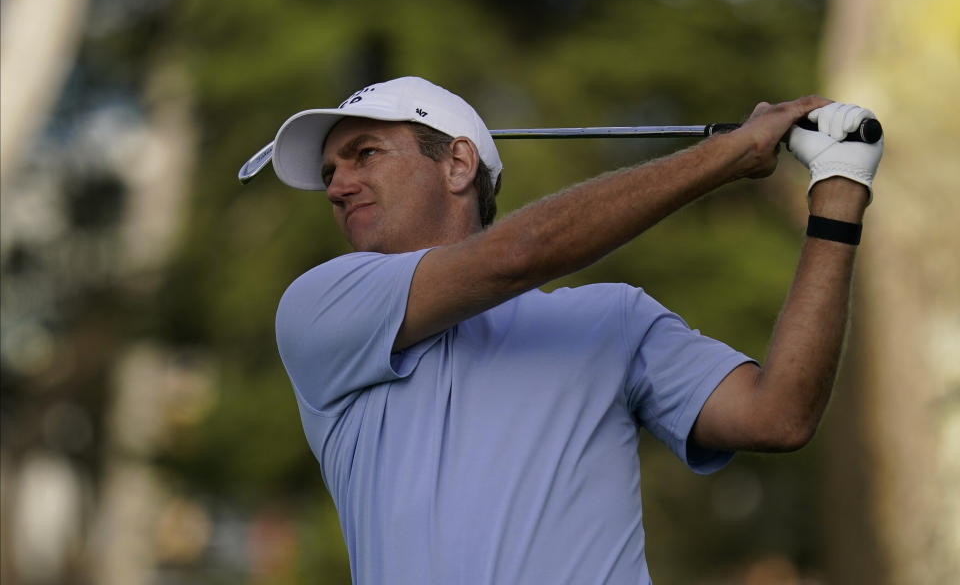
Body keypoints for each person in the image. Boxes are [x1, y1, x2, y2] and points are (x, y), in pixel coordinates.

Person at [270, 76, 882, 584]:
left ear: (457, 163)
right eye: (329, 173)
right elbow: (520, 254)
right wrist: (731, 153)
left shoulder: (611, 319)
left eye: (366, 154)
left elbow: (779, 416)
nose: (338, 188)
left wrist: (839, 192)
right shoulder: (322, 307)